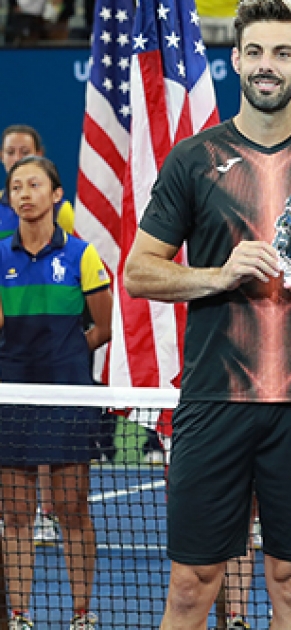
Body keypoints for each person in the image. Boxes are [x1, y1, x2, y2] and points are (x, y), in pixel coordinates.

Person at [121, 0, 291, 627]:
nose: (267, 65)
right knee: (191, 586)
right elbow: (140, 270)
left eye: (283, 53)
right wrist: (219, 274)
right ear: (235, 60)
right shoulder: (192, 159)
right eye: (255, 52)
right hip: (212, 404)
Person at [0, 156, 113, 630]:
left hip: (70, 395)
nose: (24, 194)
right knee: (16, 513)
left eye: (34, 185)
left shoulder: (83, 256)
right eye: (16, 187)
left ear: (56, 195)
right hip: (12, 396)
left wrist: (64, 358)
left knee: (71, 509)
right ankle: (20, 615)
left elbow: (103, 328)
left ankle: (82, 614)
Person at [1, 124, 79, 547]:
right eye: (9, 152)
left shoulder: (64, 225)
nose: (15, 156)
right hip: (11, 355)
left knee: (55, 457)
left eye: (23, 151)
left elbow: (99, 324)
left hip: (55, 362)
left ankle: (47, 512)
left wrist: (63, 349)